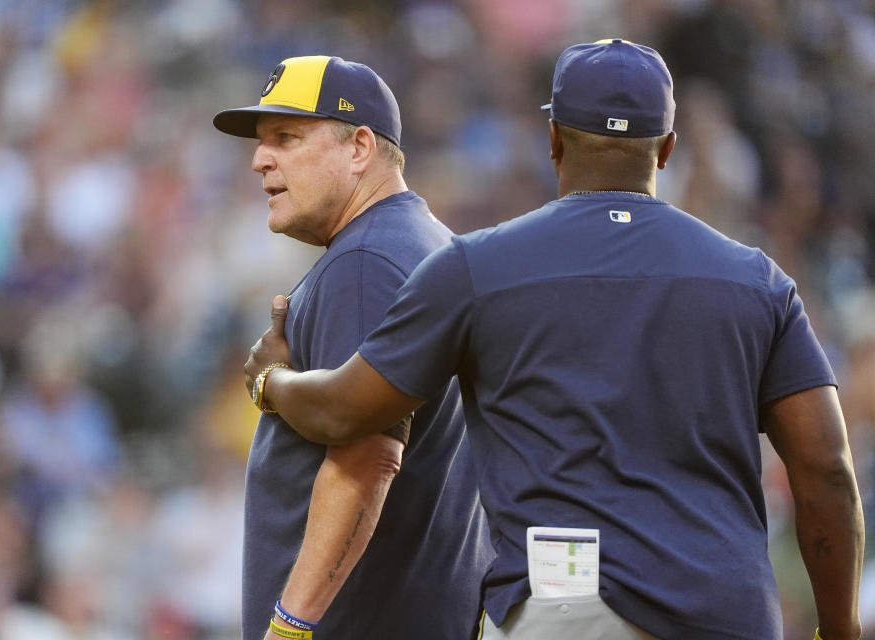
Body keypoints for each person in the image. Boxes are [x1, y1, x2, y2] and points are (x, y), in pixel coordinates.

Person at [244, 40, 865, 640]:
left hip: (564, 603)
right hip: (725, 610)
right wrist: (837, 629)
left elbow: (348, 412)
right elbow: (825, 471)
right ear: (667, 148)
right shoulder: (758, 281)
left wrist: (273, 381)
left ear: (553, 140)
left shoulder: (475, 267)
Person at [214, 55, 491, 640]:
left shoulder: (367, 263)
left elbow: (367, 459)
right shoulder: (430, 245)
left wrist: (292, 623)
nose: (260, 158)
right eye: (263, 142)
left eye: (287, 138)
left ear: (360, 148)